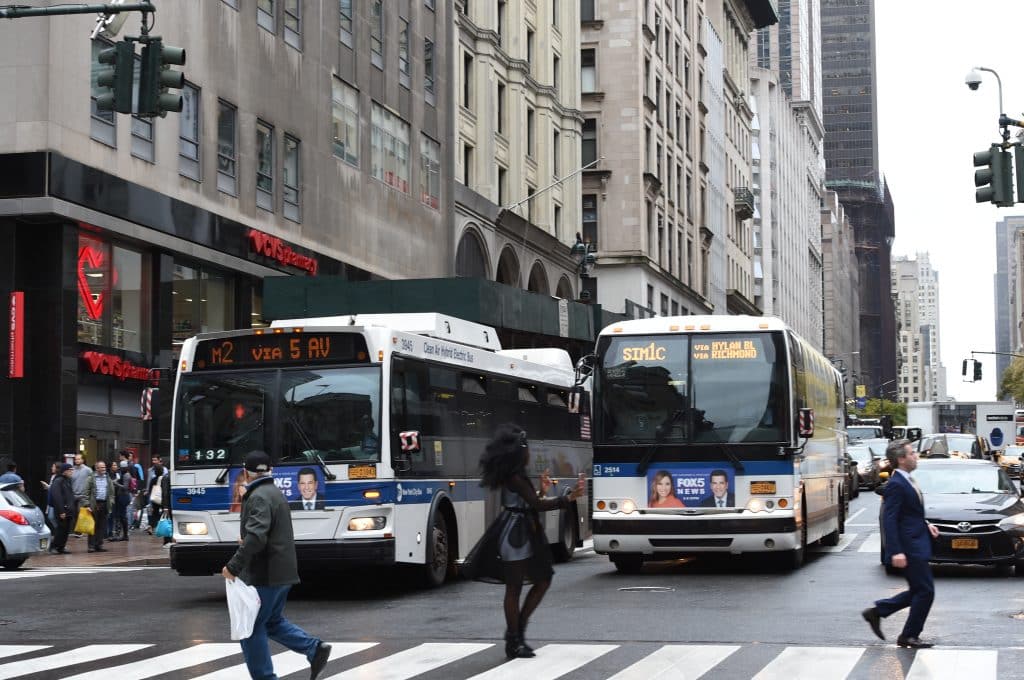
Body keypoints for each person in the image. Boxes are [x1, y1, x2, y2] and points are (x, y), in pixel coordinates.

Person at [466, 424, 585, 659]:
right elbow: (537, 505)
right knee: (517, 587)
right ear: (520, 452)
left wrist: (542, 490)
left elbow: (532, 502)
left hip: (523, 531)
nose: (530, 452)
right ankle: (514, 638)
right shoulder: (514, 477)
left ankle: (516, 634)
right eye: (527, 448)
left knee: (541, 579)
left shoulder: (517, 475)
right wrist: (568, 498)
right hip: (515, 534)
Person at [222, 450, 332, 680]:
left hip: (266, 572)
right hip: (282, 571)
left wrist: (233, 566)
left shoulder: (259, 496)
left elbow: (257, 537)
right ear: (270, 470)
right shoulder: (273, 492)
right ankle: (314, 649)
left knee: (250, 628)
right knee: (272, 621)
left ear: (245, 473)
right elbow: (265, 532)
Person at [862, 439, 940, 649]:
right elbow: (890, 519)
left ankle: (878, 612)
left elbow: (909, 513)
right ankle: (909, 635)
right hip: (909, 547)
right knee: (925, 591)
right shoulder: (896, 484)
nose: (916, 456)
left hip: (916, 540)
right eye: (912, 453)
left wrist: (926, 524)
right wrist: (895, 551)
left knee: (918, 590)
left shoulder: (907, 479)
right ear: (901, 459)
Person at [48, 463, 77, 554]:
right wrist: (61, 510)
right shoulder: (58, 480)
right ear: (64, 471)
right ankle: (54, 547)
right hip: (62, 510)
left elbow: (69, 496)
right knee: (61, 529)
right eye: (70, 470)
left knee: (66, 530)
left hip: (68, 510)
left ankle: (61, 547)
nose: (72, 472)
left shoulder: (67, 480)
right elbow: (57, 497)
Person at [86, 461, 113, 553]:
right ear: (96, 468)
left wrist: (111, 502)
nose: (103, 469)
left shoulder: (108, 478)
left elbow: (111, 493)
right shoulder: (91, 478)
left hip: (104, 504)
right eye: (101, 467)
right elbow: (86, 493)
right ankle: (91, 546)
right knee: (92, 526)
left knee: (101, 526)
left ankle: (99, 544)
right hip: (94, 504)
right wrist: (87, 505)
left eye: (104, 467)